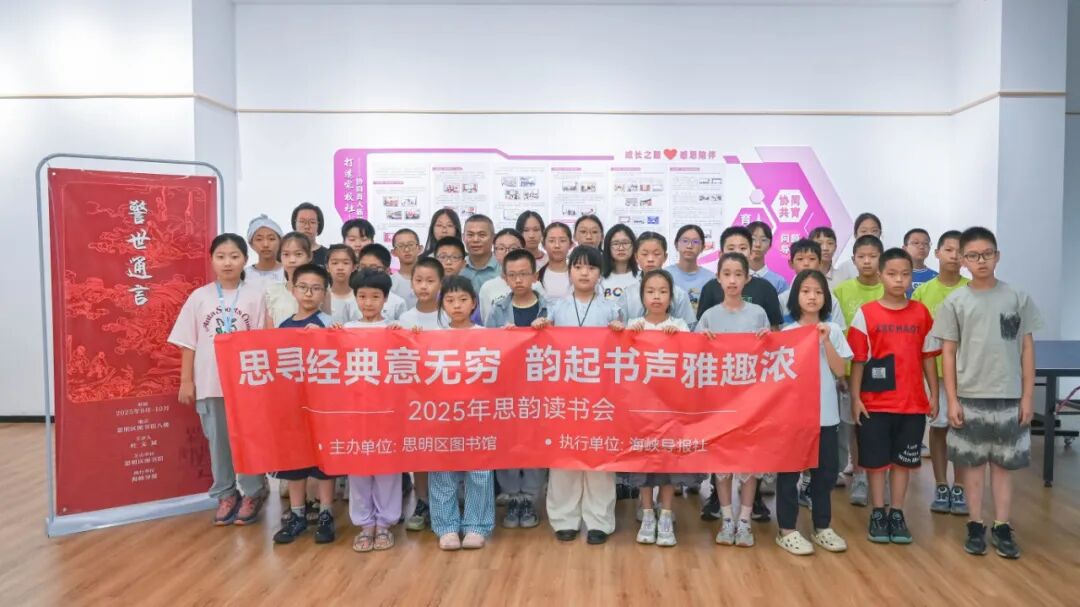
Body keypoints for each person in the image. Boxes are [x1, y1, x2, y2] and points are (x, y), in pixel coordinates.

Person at [932, 226, 1042, 559]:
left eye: (987, 254)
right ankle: (975, 524)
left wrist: (1027, 397)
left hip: (1009, 396)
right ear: (963, 260)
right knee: (973, 467)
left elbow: (1026, 349)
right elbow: (948, 353)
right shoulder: (955, 302)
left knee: (1004, 467)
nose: (981, 261)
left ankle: (1002, 526)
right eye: (973, 255)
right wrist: (952, 399)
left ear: (998, 256)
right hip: (969, 397)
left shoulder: (1017, 297)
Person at [168, 234, 268, 526]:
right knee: (218, 442)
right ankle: (225, 493)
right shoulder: (199, 297)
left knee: (249, 440)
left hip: (246, 383)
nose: (227, 263)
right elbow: (188, 342)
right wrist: (186, 380)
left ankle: (253, 491)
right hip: (210, 383)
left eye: (234, 256)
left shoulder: (256, 296)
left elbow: (262, 340)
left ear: (245, 260)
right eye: (221, 256)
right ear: (211, 259)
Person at [847, 248, 939, 545]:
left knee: (903, 462)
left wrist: (934, 395)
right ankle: (878, 512)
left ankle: (897, 512)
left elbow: (928, 357)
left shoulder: (921, 313)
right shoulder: (865, 313)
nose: (899, 280)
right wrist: (855, 398)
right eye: (892, 274)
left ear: (912, 277)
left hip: (911, 404)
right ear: (880, 276)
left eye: (905, 274)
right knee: (876, 463)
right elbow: (858, 360)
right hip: (874, 404)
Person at [533, 246, 620, 545]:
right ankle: (564, 519)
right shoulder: (555, 308)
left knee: (599, 457)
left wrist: (619, 331)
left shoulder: (611, 310)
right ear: (569, 271)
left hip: (600, 396)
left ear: (600, 273)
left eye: (592, 268)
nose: (585, 273)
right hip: (564, 396)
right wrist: (541, 328)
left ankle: (599, 521)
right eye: (579, 267)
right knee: (564, 455)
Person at [696, 227, 782, 523]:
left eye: (738, 275)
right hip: (719, 399)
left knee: (749, 457)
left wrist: (768, 340)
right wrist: (701, 340)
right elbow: (695, 355)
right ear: (718, 278)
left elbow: (773, 351)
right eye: (726, 274)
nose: (732, 280)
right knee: (721, 458)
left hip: (751, 400)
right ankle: (725, 516)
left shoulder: (758, 312)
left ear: (747, 278)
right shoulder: (709, 315)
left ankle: (744, 518)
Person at [775, 269, 850, 556]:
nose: (812, 297)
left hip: (826, 415)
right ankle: (787, 529)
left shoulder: (833, 330)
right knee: (789, 474)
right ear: (796, 296)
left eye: (818, 292)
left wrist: (826, 341)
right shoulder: (787, 333)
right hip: (793, 417)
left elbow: (840, 370)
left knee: (825, 474)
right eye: (806, 291)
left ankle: (822, 526)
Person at [622, 269, 698, 547]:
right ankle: (647, 514)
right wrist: (627, 336)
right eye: (651, 291)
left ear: (671, 296)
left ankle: (666, 514)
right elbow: (620, 361)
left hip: (671, 409)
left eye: (663, 291)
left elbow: (691, 361)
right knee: (644, 462)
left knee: (668, 463)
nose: (656, 297)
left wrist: (678, 340)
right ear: (642, 296)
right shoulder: (634, 325)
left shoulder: (680, 325)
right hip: (641, 410)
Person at [427, 277, 496, 550]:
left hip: (478, 415)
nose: (457, 305)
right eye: (450, 300)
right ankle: (446, 527)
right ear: (441, 304)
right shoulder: (432, 337)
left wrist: (512, 335)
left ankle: (477, 526)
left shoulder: (487, 336)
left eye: (463, 299)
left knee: (479, 472)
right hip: (441, 415)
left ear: (474, 303)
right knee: (442, 470)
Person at [271, 263, 337, 545]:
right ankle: (297, 513)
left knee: (323, 462)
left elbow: (341, 361)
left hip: (322, 406)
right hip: (292, 406)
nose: (309, 293)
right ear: (293, 289)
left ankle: (326, 513)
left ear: (324, 292)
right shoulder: (284, 326)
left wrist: (324, 338)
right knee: (294, 460)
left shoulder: (329, 324)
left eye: (316, 288)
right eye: (303, 287)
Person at [486, 248, 548, 529]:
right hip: (506, 390)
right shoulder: (498, 309)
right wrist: (502, 339)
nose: (519, 280)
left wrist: (547, 330)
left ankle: (530, 499)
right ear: (504, 278)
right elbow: (486, 349)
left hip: (539, 390)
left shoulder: (549, 309)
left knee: (534, 444)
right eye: (512, 275)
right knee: (509, 443)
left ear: (535, 276)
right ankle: (512, 497)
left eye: (524, 274)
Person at [342, 269, 403, 552]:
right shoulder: (345, 330)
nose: (368, 303)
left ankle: (385, 523)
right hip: (355, 412)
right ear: (355, 298)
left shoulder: (395, 329)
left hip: (388, 412)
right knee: (358, 469)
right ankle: (365, 524)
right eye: (363, 296)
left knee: (388, 470)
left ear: (386, 299)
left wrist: (408, 335)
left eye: (375, 297)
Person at [911, 230, 969, 516]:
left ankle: (960, 486)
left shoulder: (972, 289)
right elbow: (918, 339)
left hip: (967, 375)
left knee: (962, 429)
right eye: (948, 250)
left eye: (960, 251)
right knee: (939, 426)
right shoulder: (923, 292)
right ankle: (941, 484)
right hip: (934, 374)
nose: (954, 256)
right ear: (937, 253)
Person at [832, 234, 886, 506]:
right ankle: (860, 475)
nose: (867, 261)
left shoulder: (889, 289)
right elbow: (837, 334)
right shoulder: (841, 291)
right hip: (852, 369)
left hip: (884, 371)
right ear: (853, 260)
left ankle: (879, 475)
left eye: (873, 256)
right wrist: (841, 372)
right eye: (862, 257)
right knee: (854, 425)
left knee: (880, 426)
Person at [396, 258, 447, 532]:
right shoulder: (405, 318)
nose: (424, 286)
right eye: (418, 281)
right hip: (415, 399)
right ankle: (423, 501)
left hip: (447, 397)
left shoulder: (450, 315)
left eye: (430, 281)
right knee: (421, 452)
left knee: (446, 450)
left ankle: (446, 502)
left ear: (441, 283)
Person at [696, 226, 783, 329]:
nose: (737, 253)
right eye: (731, 248)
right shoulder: (710, 288)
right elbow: (703, 328)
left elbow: (774, 329)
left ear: (751, 253)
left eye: (743, 248)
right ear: (721, 254)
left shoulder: (766, 288)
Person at [616, 232, 696, 328]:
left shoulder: (679, 294)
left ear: (665, 257)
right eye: (645, 254)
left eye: (656, 254)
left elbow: (689, 329)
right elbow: (620, 326)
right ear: (636, 257)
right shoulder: (628, 294)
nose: (650, 259)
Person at [334, 244, 408, 323]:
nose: (368, 272)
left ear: (387, 271)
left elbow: (403, 327)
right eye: (363, 267)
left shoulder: (398, 303)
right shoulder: (349, 301)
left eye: (374, 268)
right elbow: (342, 328)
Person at [778, 239, 843, 327]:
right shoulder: (782, 299)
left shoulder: (831, 299)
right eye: (800, 259)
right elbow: (776, 331)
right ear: (791, 263)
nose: (806, 263)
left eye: (812, 259)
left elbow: (839, 331)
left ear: (820, 263)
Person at [477, 229, 531, 323]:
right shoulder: (487, 288)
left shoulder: (534, 284)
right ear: (494, 253)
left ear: (523, 251)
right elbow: (487, 322)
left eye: (513, 248)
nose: (507, 253)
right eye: (501, 248)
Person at [263, 231, 314, 330]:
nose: (292, 260)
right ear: (280, 257)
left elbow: (327, 324)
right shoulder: (272, 291)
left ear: (309, 257)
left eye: (298, 254)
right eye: (286, 254)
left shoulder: (320, 290)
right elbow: (270, 331)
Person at [664, 224, 712, 312]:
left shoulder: (710, 278)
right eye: (685, 241)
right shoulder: (665, 275)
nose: (689, 246)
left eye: (695, 242)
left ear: (702, 247)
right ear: (676, 245)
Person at [833, 212, 882, 283]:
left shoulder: (890, 263)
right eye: (864, 231)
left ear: (880, 234)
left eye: (874, 231)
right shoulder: (845, 268)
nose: (869, 234)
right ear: (855, 235)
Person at [746, 221, 788, 293]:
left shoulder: (779, 283)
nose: (758, 245)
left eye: (763, 240)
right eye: (753, 239)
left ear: (770, 246)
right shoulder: (735, 279)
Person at [600, 224, 638, 302]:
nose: (621, 248)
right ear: (608, 247)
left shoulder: (642, 278)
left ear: (633, 245)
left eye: (625, 243)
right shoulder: (599, 279)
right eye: (615, 244)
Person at [244, 214, 284, 290]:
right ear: (251, 244)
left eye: (271, 239)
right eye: (259, 239)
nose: (265, 244)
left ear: (280, 241)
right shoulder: (244, 275)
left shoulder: (289, 272)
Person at [461, 214, 499, 291]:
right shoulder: (458, 268)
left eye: (482, 235)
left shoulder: (504, 268)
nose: (475, 240)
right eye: (470, 235)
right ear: (463, 237)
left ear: (493, 238)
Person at [537, 223, 573, 300]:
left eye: (562, 241)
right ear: (543, 245)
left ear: (570, 244)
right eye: (551, 241)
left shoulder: (578, 275)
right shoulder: (536, 277)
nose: (557, 245)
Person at [390, 228, 421, 307]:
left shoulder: (432, 280)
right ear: (394, 252)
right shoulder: (390, 282)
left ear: (420, 249)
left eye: (411, 244)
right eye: (401, 246)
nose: (407, 250)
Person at [325, 244, 358, 317]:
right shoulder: (322, 298)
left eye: (346, 263)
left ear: (354, 267)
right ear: (327, 267)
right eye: (335, 263)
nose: (340, 268)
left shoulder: (360, 297)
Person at [903, 228, 938, 297]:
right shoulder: (895, 275)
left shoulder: (936, 277)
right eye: (916, 243)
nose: (921, 247)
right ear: (904, 248)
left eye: (926, 243)